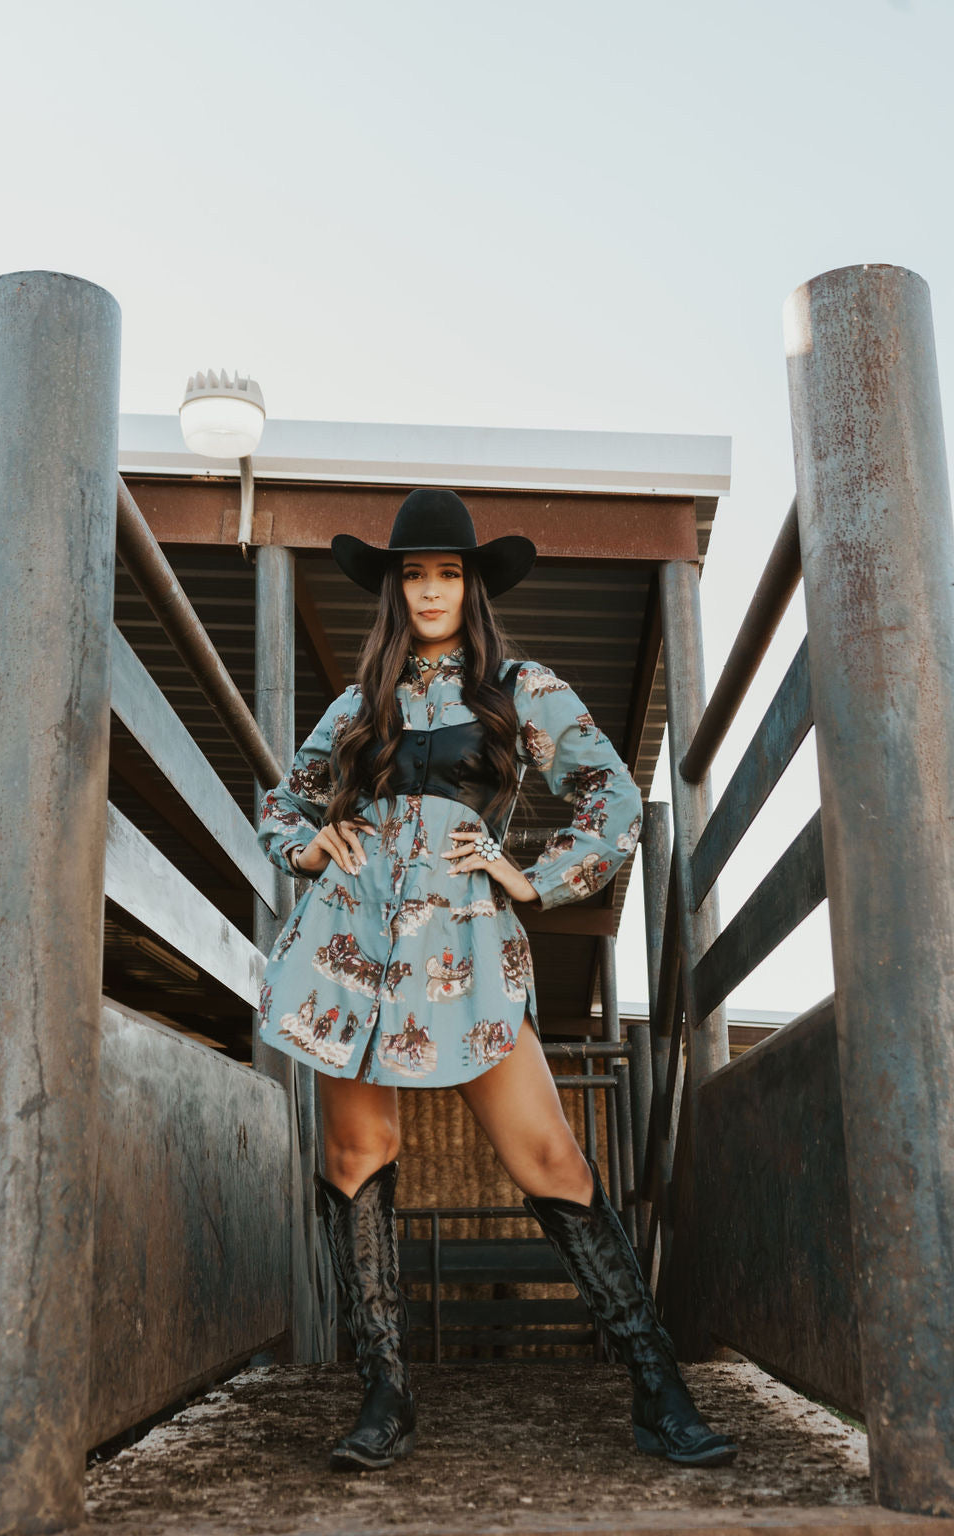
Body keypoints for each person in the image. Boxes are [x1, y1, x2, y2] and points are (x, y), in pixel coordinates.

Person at [256, 488, 737, 1474]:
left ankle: (657, 1389)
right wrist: (309, 848)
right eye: (413, 574)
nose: (431, 590)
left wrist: (532, 877)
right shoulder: (358, 704)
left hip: (464, 947)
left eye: (448, 572)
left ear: (471, 586)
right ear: (394, 588)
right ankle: (385, 1396)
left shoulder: (522, 688)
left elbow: (611, 799)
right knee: (357, 1151)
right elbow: (282, 804)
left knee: (548, 1156)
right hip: (349, 945)